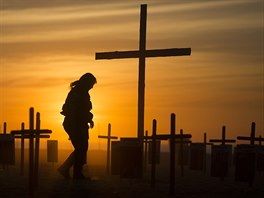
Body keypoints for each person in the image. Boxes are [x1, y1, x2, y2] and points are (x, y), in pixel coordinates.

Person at [58, 73, 97, 179]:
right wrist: (74, 127)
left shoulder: (82, 93)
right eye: (91, 84)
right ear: (87, 82)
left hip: (79, 124)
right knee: (81, 149)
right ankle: (69, 170)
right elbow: (76, 111)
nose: (92, 87)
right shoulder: (77, 93)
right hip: (75, 124)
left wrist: (89, 119)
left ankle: (75, 172)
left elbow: (84, 110)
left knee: (81, 149)